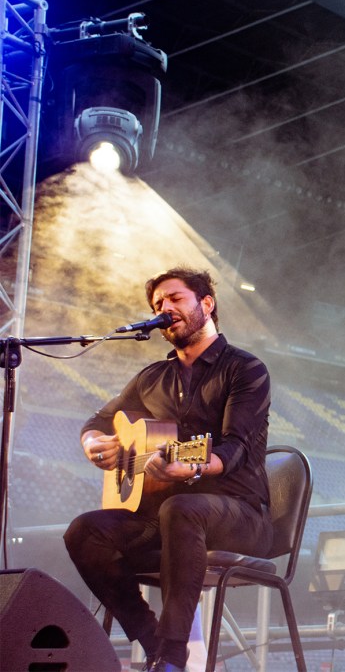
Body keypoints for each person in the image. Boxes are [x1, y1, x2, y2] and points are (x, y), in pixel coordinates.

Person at [64, 267, 273, 672]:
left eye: (175, 298)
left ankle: (173, 656)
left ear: (206, 304)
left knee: (181, 509)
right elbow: (97, 422)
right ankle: (154, 643)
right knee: (83, 531)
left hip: (240, 513)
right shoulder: (151, 377)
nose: (164, 308)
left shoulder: (245, 369)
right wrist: (93, 444)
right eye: (158, 304)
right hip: (166, 519)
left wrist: (192, 469)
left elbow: (235, 448)